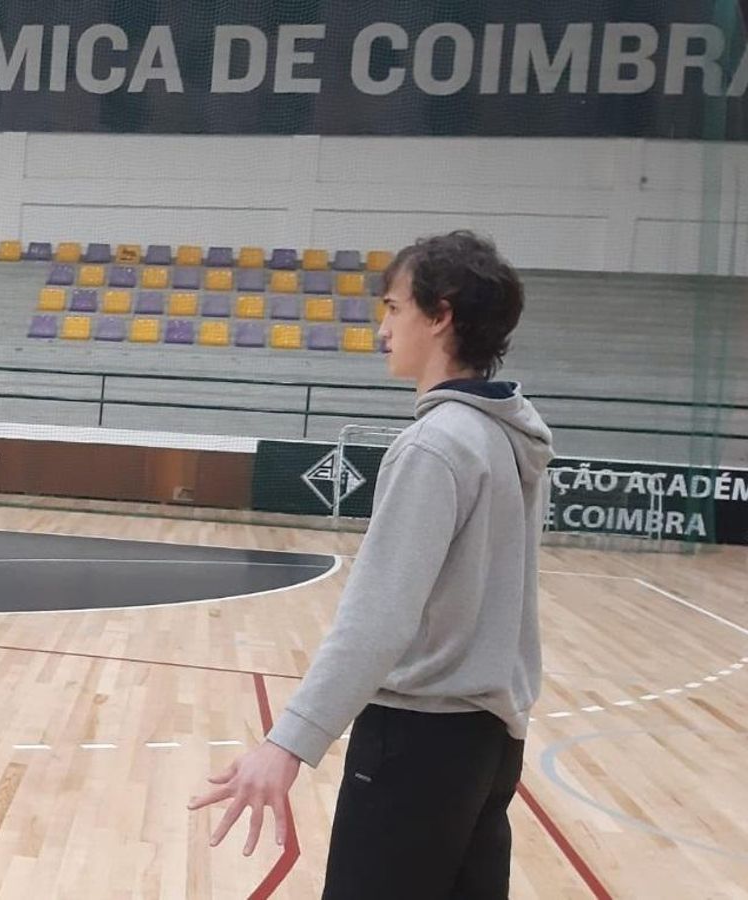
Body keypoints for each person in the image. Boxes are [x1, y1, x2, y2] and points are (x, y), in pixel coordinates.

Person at [188, 230, 555, 899]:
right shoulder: (510, 440)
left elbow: (378, 619)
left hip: (416, 745)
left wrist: (288, 743)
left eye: (392, 308)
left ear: (439, 313)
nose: (382, 327)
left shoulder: (436, 446)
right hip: (490, 745)